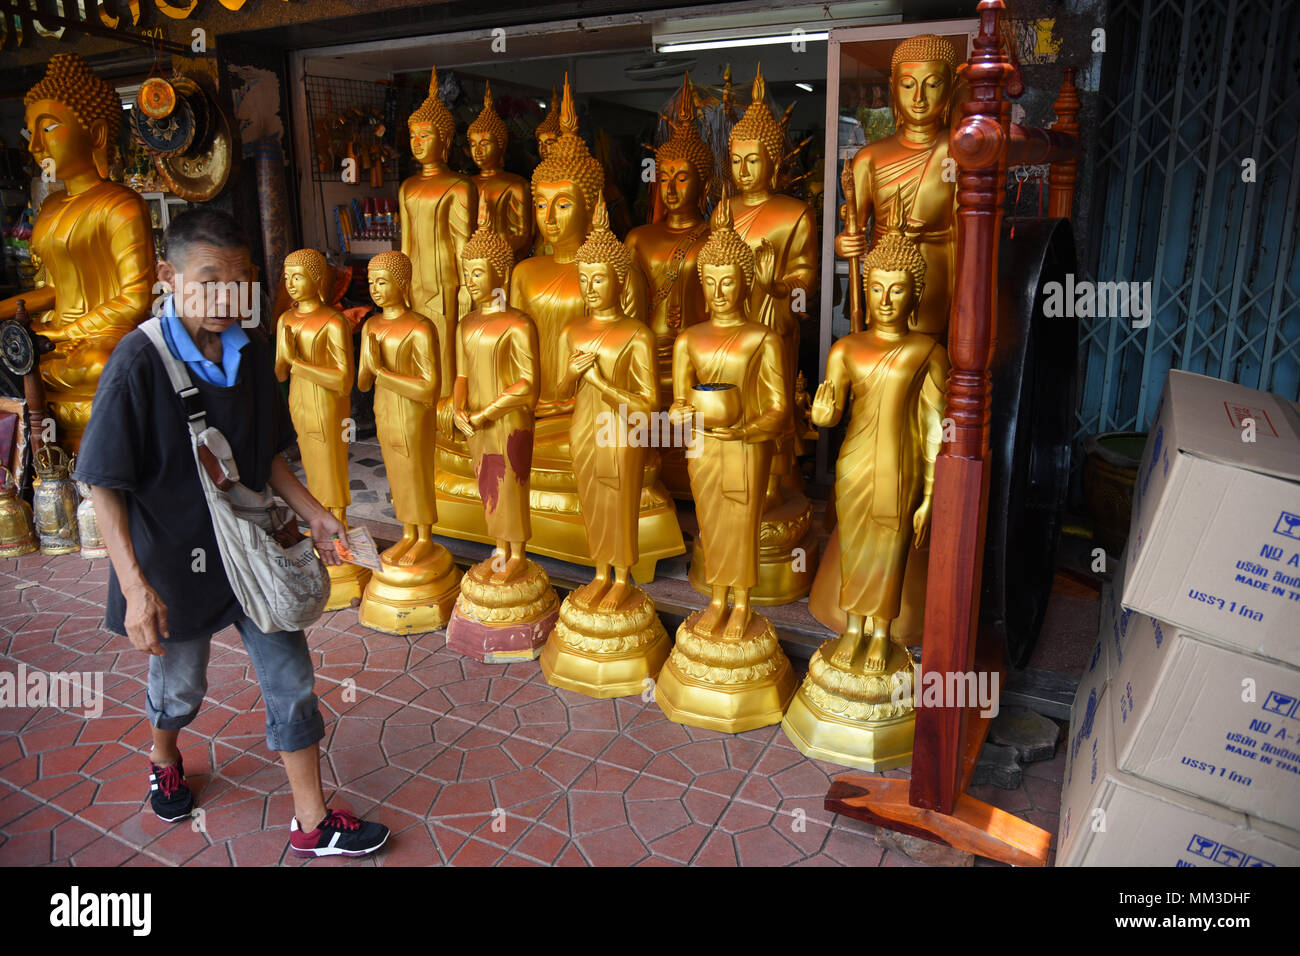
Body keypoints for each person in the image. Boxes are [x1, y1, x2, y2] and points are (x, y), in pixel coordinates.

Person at [72, 208, 389, 858]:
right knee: (182, 688)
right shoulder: (137, 363)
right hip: (173, 558)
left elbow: (265, 455)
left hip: (252, 551)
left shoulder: (250, 352)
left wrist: (316, 512)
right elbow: (102, 483)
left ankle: (311, 820)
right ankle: (165, 754)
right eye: (207, 281)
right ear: (169, 276)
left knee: (289, 677)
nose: (224, 298)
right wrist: (134, 588)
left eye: (237, 281)